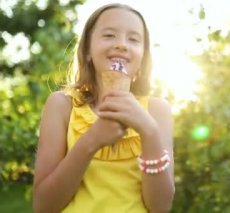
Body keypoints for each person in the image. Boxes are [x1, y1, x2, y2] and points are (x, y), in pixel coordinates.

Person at [32, 3, 175, 213]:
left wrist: (149, 132)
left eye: (133, 39)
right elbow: (43, 206)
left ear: (143, 57)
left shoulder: (157, 111)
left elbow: (161, 207)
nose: (121, 45)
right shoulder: (62, 105)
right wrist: (92, 140)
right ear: (87, 50)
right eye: (109, 35)